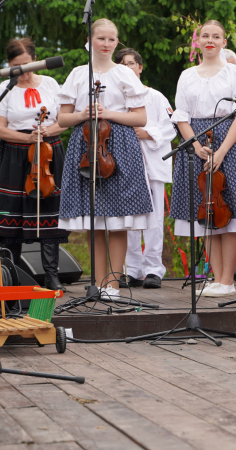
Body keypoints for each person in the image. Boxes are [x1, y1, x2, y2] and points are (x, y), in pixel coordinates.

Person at [57, 18, 154, 301]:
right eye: (102, 38)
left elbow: (140, 117)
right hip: (87, 146)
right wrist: (84, 114)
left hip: (120, 146)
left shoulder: (125, 74)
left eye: (112, 39)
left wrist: (107, 113)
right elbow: (62, 118)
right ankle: (97, 283)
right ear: (90, 39)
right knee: (95, 220)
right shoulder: (77, 74)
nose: (107, 44)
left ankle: (113, 284)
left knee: (118, 219)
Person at [170, 20, 236, 297]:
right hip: (196, 143)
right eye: (205, 36)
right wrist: (196, 145)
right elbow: (181, 115)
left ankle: (227, 279)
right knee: (205, 211)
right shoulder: (187, 75)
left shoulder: (234, 73)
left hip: (229, 144)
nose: (210, 40)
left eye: (216, 36)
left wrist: (222, 151)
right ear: (197, 42)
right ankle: (216, 277)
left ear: (224, 41)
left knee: (229, 212)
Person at [0, 38, 70, 291]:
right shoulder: (5, 86)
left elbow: (64, 120)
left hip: (47, 151)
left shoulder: (51, 83)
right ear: (9, 65)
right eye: (17, 66)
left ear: (35, 60)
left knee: (48, 208)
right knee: (11, 211)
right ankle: (11, 275)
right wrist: (27, 137)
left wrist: (48, 131)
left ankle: (51, 274)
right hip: (15, 153)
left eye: (27, 65)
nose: (23, 72)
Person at [114, 48, 177, 289]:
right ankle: (132, 270)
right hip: (124, 167)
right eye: (122, 64)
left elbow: (171, 126)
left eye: (131, 63)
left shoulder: (156, 97)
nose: (127, 68)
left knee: (153, 219)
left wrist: (147, 132)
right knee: (127, 219)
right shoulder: (115, 98)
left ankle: (153, 269)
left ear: (140, 68)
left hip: (152, 164)